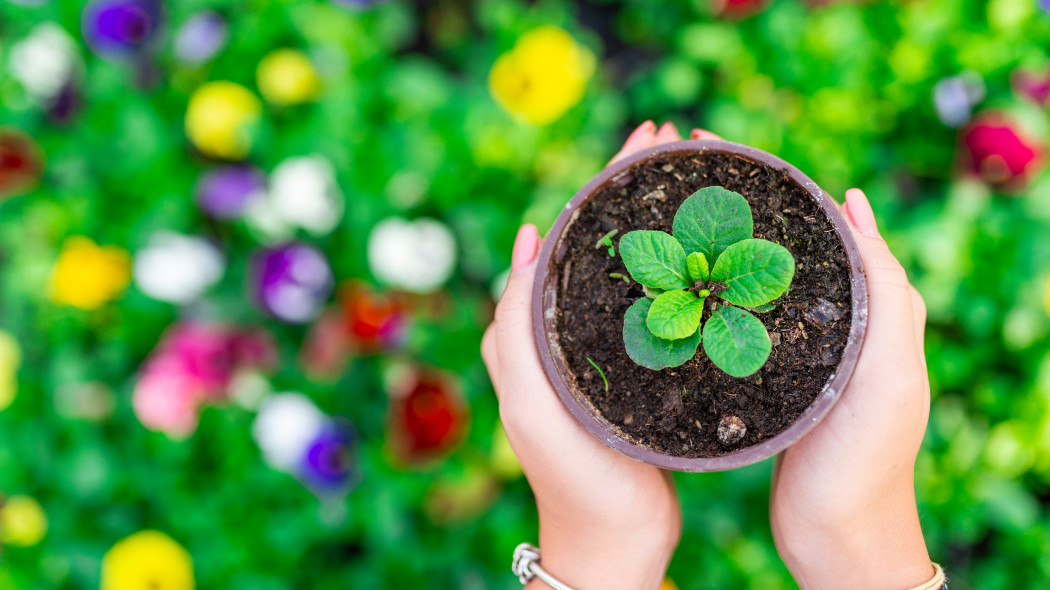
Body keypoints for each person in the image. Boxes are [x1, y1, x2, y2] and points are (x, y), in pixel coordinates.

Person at [481, 121, 942, 589]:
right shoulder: (677, 297)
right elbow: (656, 320)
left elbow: (761, 268)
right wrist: (851, 533)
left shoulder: (723, 296)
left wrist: (599, 552)